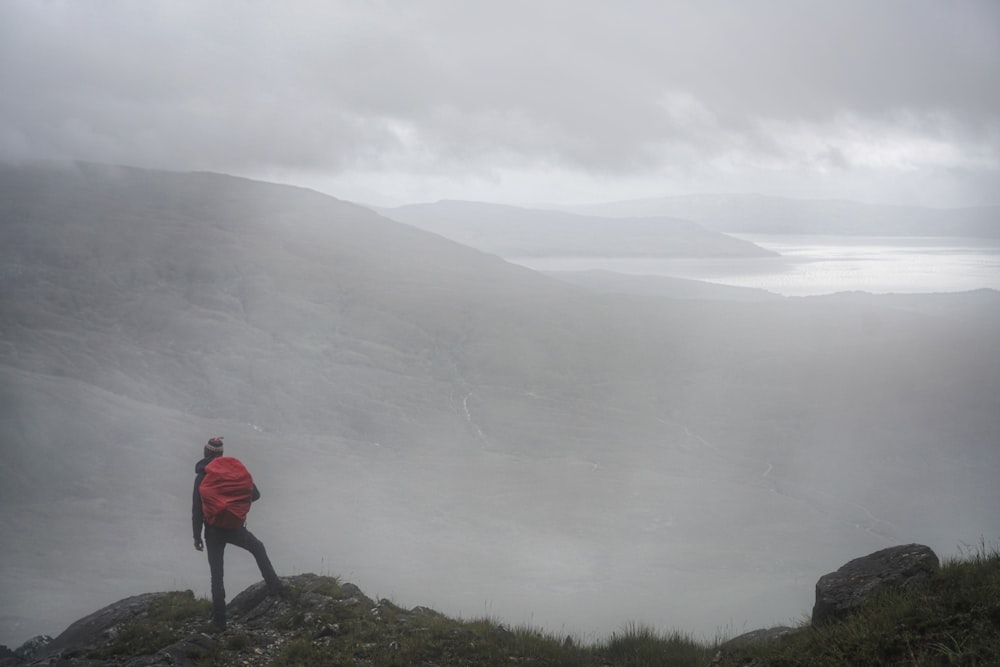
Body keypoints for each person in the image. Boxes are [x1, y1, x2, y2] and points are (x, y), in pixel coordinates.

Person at [192, 436, 283, 631]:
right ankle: (275, 587)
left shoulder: (202, 476)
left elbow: (197, 508)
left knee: (217, 576)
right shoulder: (233, 472)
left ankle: (220, 623)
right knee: (258, 548)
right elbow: (255, 495)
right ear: (222, 453)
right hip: (234, 528)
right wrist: (236, 504)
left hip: (213, 531)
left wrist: (196, 536)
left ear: (206, 452)